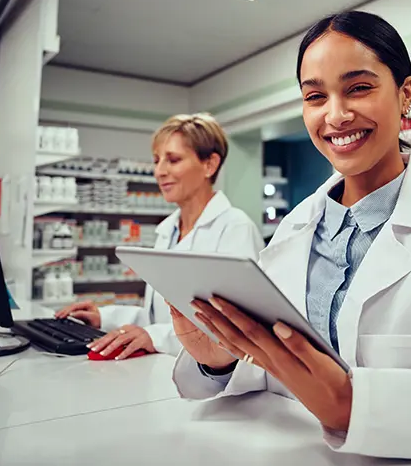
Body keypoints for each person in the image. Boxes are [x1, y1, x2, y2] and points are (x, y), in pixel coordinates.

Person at [170, 12, 411, 463]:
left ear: (405, 93)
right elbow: (268, 382)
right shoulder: (291, 233)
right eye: (315, 96)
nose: (335, 114)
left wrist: (353, 405)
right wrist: (217, 359)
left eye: (358, 87)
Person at [55, 113, 263, 360]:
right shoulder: (168, 231)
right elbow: (157, 317)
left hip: (209, 377)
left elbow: (235, 327)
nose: (159, 171)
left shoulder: (235, 228)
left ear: (210, 164)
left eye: (173, 160)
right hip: (160, 368)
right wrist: (104, 317)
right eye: (156, 160)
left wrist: (156, 337)